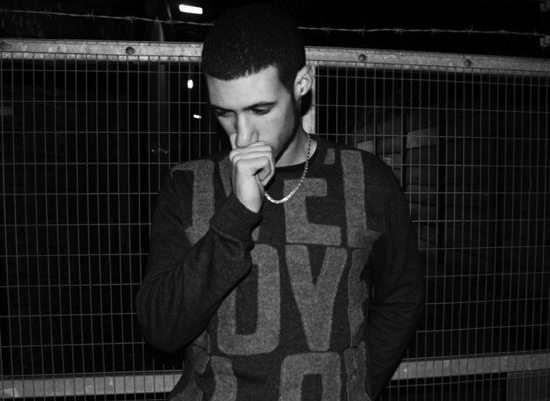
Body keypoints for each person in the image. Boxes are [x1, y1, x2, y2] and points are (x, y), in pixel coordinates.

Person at [135, 3, 424, 400]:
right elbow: (161, 329)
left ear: (301, 84)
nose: (242, 136)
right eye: (225, 113)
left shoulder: (368, 180)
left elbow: (402, 297)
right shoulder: (188, 185)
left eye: (260, 109)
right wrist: (237, 215)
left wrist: (356, 385)